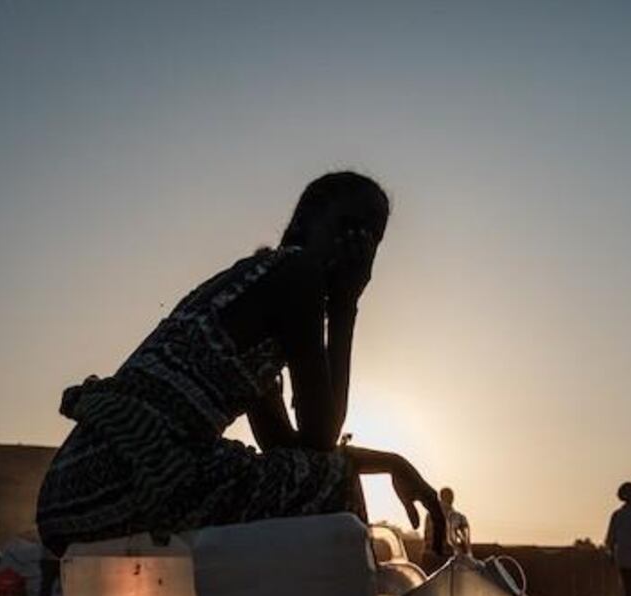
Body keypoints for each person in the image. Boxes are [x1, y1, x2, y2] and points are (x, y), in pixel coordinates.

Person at [37, 172, 444, 557]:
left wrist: (390, 461)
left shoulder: (255, 285)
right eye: (348, 226)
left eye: (372, 236)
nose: (358, 244)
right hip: (131, 475)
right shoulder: (296, 274)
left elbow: (285, 448)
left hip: (68, 489)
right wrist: (345, 303)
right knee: (334, 486)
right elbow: (322, 438)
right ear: (304, 225)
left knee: (316, 475)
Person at [422, 486, 471, 572]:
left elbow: (426, 535)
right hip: (444, 557)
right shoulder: (456, 516)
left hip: (428, 556)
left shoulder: (429, 514)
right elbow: (465, 540)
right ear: (451, 498)